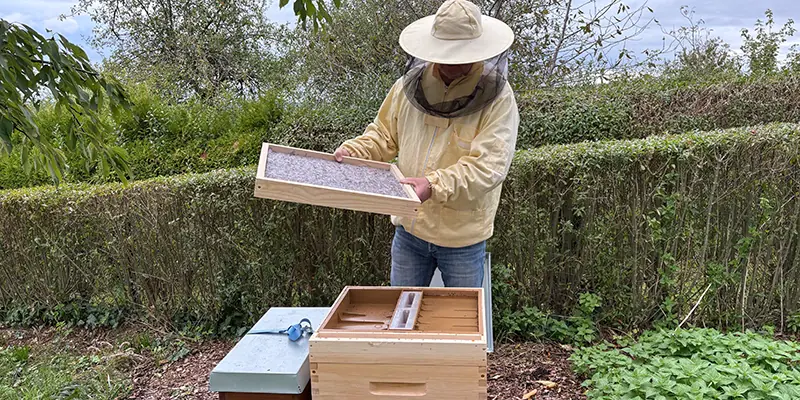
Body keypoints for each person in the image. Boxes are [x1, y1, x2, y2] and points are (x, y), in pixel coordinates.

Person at [334, 0, 519, 288]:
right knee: (403, 320)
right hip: (410, 231)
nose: (452, 62)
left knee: (463, 327)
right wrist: (354, 151)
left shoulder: (499, 99)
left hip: (463, 239)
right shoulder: (407, 86)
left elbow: (489, 167)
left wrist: (433, 185)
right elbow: (384, 135)